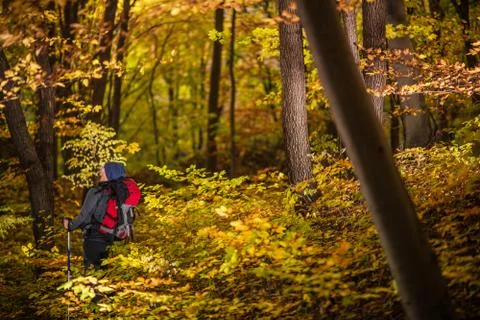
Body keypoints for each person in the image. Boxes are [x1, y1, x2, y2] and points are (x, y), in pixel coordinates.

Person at [63, 161, 141, 272]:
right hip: (114, 239)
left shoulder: (95, 192)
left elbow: (84, 216)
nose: (99, 171)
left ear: (110, 173)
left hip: (94, 238)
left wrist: (70, 225)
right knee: (106, 275)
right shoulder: (119, 194)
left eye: (103, 169)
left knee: (92, 277)